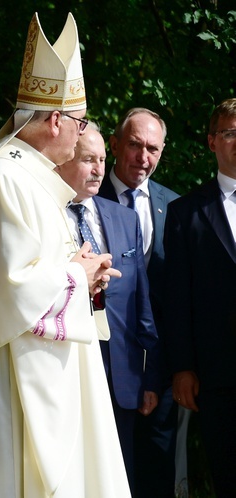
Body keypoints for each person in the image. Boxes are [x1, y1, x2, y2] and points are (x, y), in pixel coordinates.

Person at [0, 13, 130, 497]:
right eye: (80, 122)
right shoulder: (5, 178)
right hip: (18, 373)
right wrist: (76, 275)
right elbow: (8, 287)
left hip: (47, 364)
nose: (82, 132)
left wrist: (83, 274)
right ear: (54, 120)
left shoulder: (29, 177)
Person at [55, 123, 160, 493]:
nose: (99, 169)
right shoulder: (45, 214)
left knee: (118, 476)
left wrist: (150, 377)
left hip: (120, 376)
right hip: (63, 367)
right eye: (88, 159)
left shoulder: (123, 218)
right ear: (64, 158)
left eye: (102, 159)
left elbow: (140, 304)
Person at [99, 107, 182, 497]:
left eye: (153, 148)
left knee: (157, 470)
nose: (143, 157)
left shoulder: (176, 207)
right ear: (115, 144)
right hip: (103, 363)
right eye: (134, 145)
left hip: (161, 368)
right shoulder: (85, 195)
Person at [163, 97, 236, 497]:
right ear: (212, 141)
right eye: (229, 132)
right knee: (227, 475)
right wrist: (183, 368)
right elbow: (177, 296)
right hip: (216, 375)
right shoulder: (185, 212)